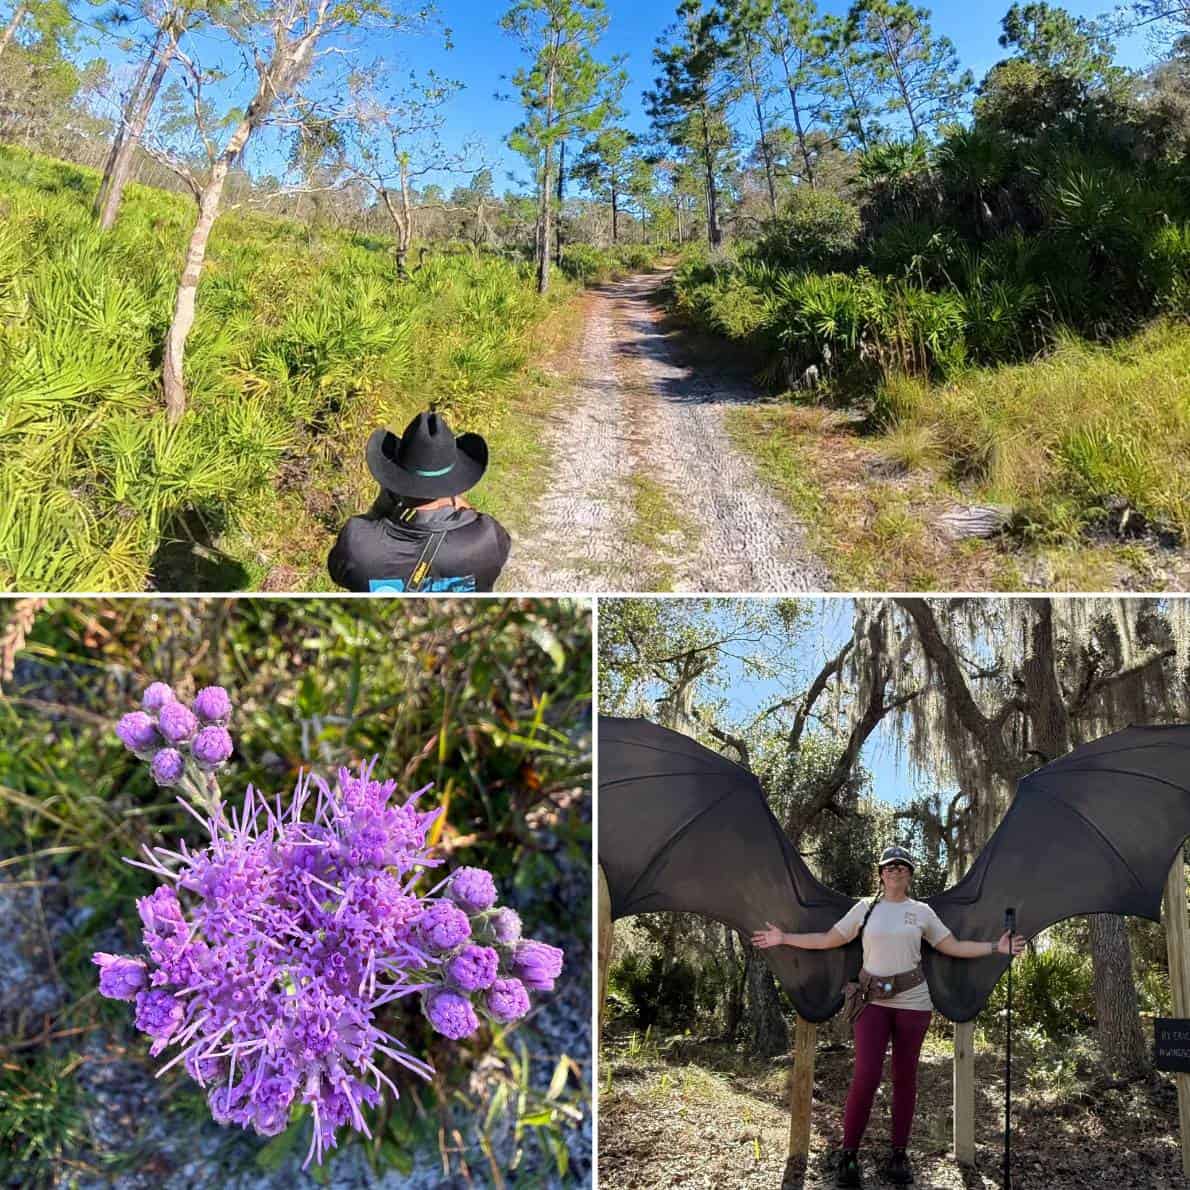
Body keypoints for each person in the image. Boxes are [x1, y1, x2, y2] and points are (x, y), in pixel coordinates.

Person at [751, 845, 1025, 1188]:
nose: (895, 871)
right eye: (889, 867)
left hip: (914, 1003)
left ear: (909, 875)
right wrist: (783, 937)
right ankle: (848, 1155)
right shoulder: (865, 909)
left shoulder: (921, 912)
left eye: (902, 866)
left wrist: (995, 948)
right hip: (873, 1003)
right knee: (865, 1076)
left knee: (905, 1078)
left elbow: (951, 945)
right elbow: (827, 939)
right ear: (880, 874)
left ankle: (899, 1154)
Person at [328, 411, 510, 593]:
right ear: (455, 482)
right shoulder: (487, 536)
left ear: (393, 483)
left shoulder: (358, 543)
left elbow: (340, 575)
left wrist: (379, 510)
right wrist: (460, 506)